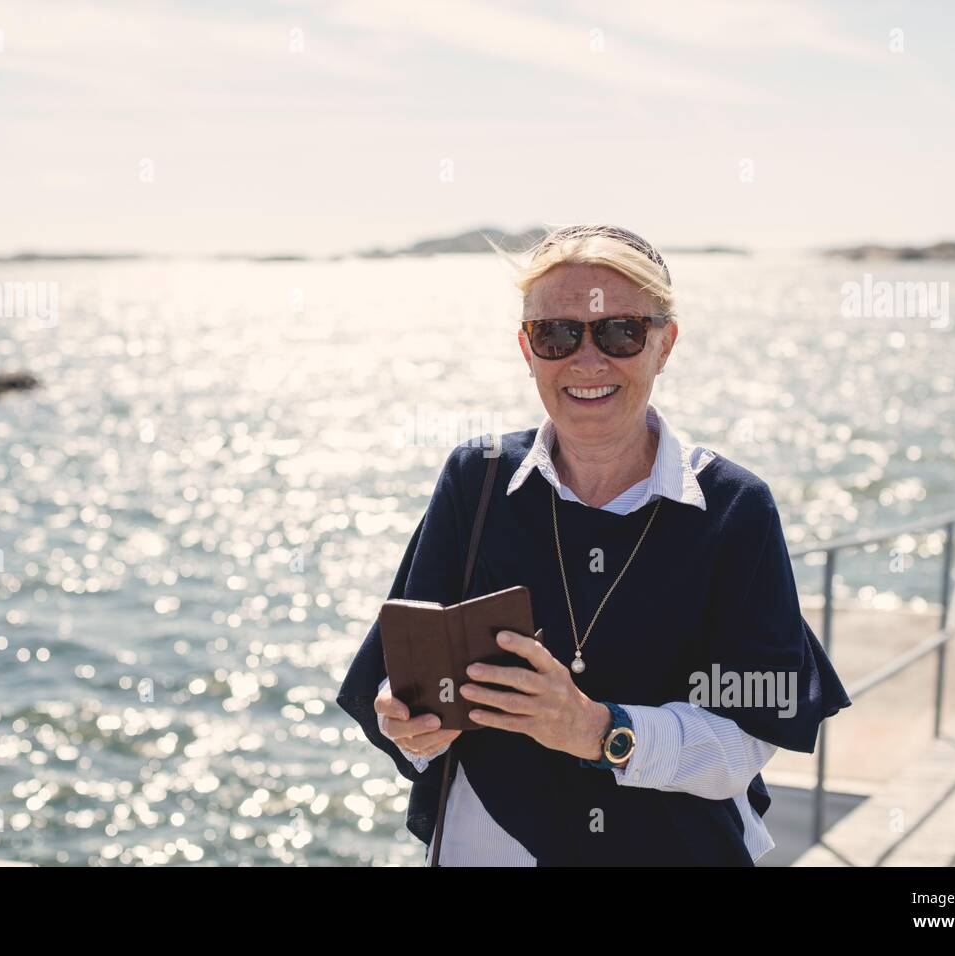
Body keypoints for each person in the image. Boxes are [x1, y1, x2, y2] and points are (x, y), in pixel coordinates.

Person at [336, 224, 851, 865]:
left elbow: (745, 745)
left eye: (621, 331)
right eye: (557, 334)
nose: (588, 360)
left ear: (665, 345)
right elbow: (404, 688)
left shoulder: (734, 507)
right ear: (527, 349)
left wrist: (596, 730)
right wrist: (410, 724)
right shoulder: (478, 477)